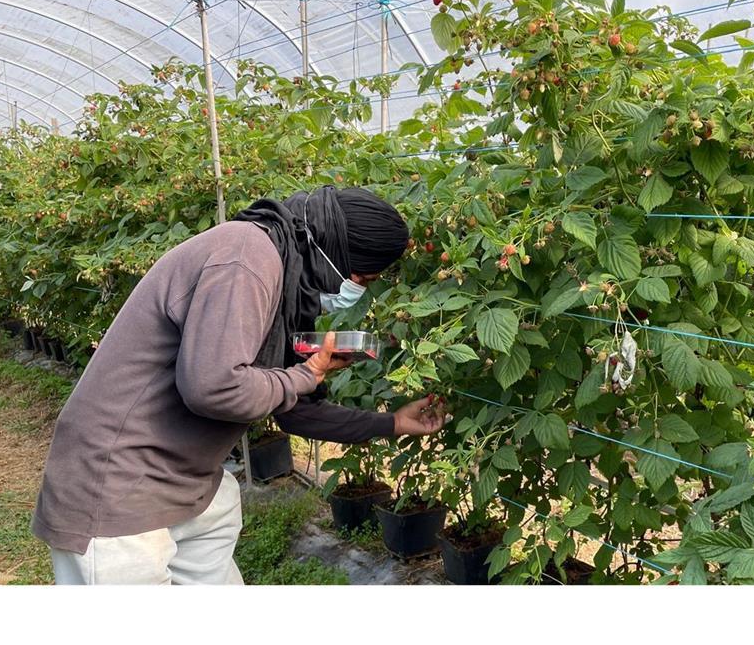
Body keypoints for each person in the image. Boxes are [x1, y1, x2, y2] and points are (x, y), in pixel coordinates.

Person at [31, 185, 445, 584]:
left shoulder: (285, 274)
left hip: (187, 486)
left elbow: (293, 408)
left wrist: (392, 423)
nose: (355, 290)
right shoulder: (246, 257)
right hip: (117, 491)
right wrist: (304, 375)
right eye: (363, 279)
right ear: (336, 253)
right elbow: (213, 387)